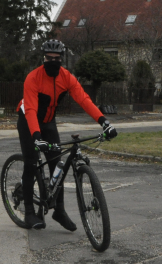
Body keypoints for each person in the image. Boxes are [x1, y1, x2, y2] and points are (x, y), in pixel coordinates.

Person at [17, 39, 117, 230]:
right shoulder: (33, 77)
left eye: (57, 59)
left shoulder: (66, 77)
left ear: (62, 59)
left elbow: (84, 100)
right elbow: (30, 109)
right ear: (43, 58)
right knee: (31, 163)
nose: (53, 61)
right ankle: (29, 213)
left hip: (48, 122)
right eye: (49, 58)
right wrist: (37, 137)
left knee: (57, 165)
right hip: (28, 121)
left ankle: (59, 211)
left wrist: (104, 122)